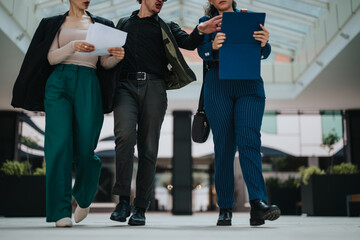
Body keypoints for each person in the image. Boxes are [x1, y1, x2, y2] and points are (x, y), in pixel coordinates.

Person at [11, 0, 124, 227]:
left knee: (86, 149)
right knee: (58, 145)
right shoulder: (53, 23)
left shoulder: (101, 24)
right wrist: (73, 46)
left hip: (89, 82)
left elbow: (104, 62)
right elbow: (51, 57)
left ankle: (83, 195)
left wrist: (116, 57)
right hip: (59, 83)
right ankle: (60, 211)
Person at [109, 0, 222, 226]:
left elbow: (189, 44)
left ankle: (140, 207)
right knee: (124, 139)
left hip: (154, 88)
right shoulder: (122, 23)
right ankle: (123, 201)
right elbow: (110, 53)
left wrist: (201, 30)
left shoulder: (167, 25)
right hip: (125, 87)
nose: (161, 0)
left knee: (148, 147)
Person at [197, 0, 281, 226]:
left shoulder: (251, 19)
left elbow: (264, 52)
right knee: (223, 146)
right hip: (218, 87)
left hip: (250, 86)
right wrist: (212, 46)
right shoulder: (206, 23)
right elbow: (202, 52)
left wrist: (265, 43)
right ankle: (225, 207)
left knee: (249, 141)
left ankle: (257, 204)